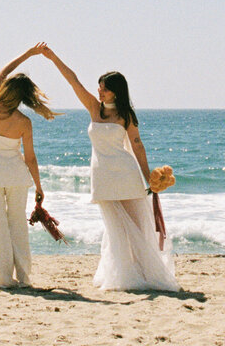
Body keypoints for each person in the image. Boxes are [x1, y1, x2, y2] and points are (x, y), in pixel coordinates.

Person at [41, 45, 178, 292]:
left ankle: (146, 274)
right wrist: (52, 58)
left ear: (116, 91)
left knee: (136, 228)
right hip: (102, 176)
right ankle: (125, 276)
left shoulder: (126, 115)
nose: (100, 91)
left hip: (127, 175)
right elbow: (74, 82)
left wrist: (149, 178)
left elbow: (137, 146)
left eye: (104, 88)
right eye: (99, 88)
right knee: (115, 229)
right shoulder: (95, 108)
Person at [0, 43, 59, 288]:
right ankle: (23, 277)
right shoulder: (23, 121)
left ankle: (4, 279)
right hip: (16, 176)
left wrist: (28, 54)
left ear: (6, 89)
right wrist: (38, 186)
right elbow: (31, 158)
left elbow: (3, 71)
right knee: (17, 226)